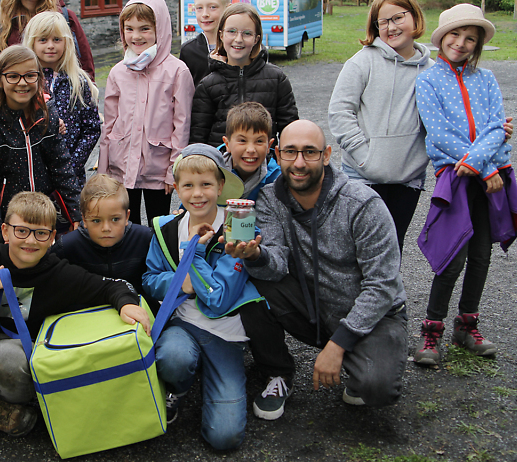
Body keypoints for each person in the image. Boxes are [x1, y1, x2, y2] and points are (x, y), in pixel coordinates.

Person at [0, 191, 150, 437]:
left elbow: (113, 286)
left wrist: (126, 304)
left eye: (40, 233)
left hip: (18, 363)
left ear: (52, 237)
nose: (30, 241)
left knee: (6, 354)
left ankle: (10, 404)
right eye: (21, 231)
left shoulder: (60, 273)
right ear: (5, 231)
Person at [230, 120, 408, 420]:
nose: (299, 163)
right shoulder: (271, 200)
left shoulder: (363, 204)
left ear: (326, 155)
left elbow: (382, 284)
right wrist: (257, 255)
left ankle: (356, 358)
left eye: (309, 152)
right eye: (290, 152)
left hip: (373, 313)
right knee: (253, 282)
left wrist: (338, 344)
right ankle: (278, 373)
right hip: (312, 306)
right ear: (277, 154)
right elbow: (276, 265)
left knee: (376, 388)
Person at [413, 4, 517, 365]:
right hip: (456, 177)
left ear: (477, 44)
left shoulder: (486, 79)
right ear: (442, 37)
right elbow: (440, 135)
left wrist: (487, 167)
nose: (460, 43)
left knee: (480, 253)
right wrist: (481, 167)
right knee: (453, 254)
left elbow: (497, 127)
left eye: (469, 38)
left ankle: (467, 324)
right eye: (454, 35)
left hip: (490, 177)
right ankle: (432, 330)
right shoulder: (428, 80)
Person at [143, 144, 262, 450]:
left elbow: (218, 299)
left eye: (206, 184)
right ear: (176, 189)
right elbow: (150, 278)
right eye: (188, 186)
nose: (197, 194)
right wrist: (178, 283)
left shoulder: (238, 226)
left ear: (221, 186)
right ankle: (179, 387)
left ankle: (216, 374)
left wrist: (193, 255)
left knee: (224, 438)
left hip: (226, 332)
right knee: (173, 359)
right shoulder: (165, 228)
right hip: (183, 324)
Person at [327, 0, 433, 253]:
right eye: (383, 21)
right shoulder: (361, 63)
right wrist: (365, 156)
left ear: (414, 17)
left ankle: (389, 296)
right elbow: (340, 112)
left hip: (407, 179)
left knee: (393, 246)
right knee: (359, 248)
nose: (391, 27)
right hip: (363, 177)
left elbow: (444, 120)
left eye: (398, 17)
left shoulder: (431, 71)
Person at [98, 0, 194, 225]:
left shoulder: (177, 72)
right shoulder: (118, 72)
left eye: (145, 29)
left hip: (157, 169)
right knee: (126, 225)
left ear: (159, 29)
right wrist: (104, 170)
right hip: (121, 167)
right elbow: (109, 124)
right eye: (129, 29)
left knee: (157, 225)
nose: (136, 36)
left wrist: (174, 170)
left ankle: (156, 262)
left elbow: (182, 125)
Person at [0, 45, 81, 238]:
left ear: (39, 78)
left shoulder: (47, 116)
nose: (22, 83)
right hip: (10, 221)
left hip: (46, 214)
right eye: (13, 76)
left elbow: (61, 168)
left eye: (30, 75)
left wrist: (75, 213)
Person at [190, 3, 297, 148]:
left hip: (265, 165)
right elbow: (198, 137)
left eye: (247, 33)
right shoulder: (208, 85)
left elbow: (290, 130)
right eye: (232, 31)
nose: (238, 39)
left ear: (256, 38)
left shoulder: (277, 78)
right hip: (221, 165)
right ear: (221, 35)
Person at [50, 173, 157, 313]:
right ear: (84, 220)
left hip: (139, 319)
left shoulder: (145, 239)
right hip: (89, 322)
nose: (106, 228)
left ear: (127, 217)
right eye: (96, 220)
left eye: (115, 219)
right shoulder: (67, 247)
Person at [23, 11, 100, 186]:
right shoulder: (24, 81)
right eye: (43, 40)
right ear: (32, 43)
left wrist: (71, 166)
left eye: (57, 40)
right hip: (33, 176)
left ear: (67, 42)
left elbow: (91, 129)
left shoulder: (78, 82)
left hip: (70, 177)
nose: (50, 45)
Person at [221, 102, 280, 201]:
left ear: (269, 146)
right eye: (242, 141)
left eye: (259, 141)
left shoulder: (277, 179)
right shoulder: (212, 172)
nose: (251, 150)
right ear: (227, 144)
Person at [179, 0, 230, 86]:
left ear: (228, 9)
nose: (205, 14)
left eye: (212, 7)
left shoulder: (237, 46)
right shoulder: (189, 50)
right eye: (199, 8)